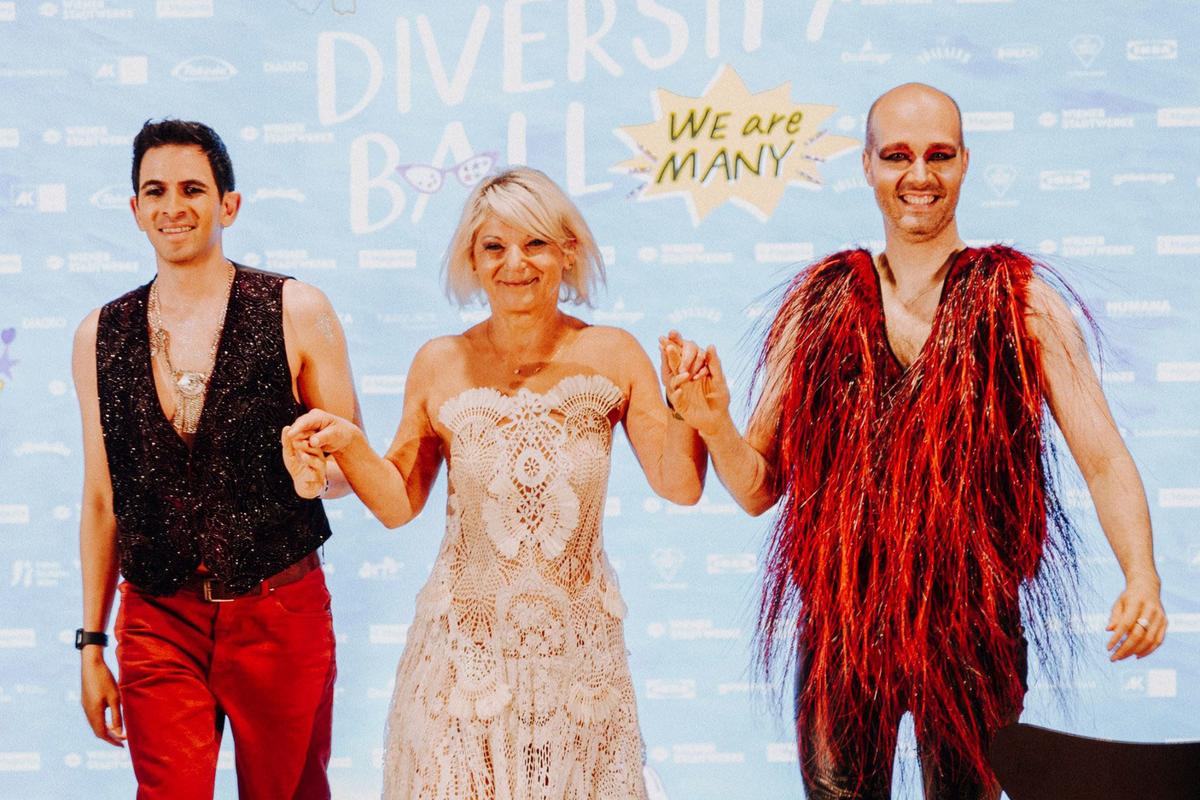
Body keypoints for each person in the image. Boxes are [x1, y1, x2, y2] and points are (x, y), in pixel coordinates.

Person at [661, 83, 1168, 799]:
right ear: (865, 165)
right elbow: (757, 490)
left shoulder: (1022, 300)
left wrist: (1141, 575)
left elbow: (1105, 458)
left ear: (965, 163)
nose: (920, 176)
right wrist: (712, 421)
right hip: (840, 628)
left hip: (973, 626)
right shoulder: (819, 302)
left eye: (939, 155)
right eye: (898, 156)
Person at [282, 166, 708, 800]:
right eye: (495, 247)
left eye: (535, 243)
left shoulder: (614, 354)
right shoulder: (439, 361)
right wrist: (345, 444)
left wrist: (693, 414)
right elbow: (399, 503)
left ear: (567, 251)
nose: (516, 263)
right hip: (461, 665)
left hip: (578, 670)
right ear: (472, 261)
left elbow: (680, 485)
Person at [72, 119, 360, 800]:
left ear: (228, 204)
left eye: (193, 189)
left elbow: (353, 466)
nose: (174, 206)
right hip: (156, 617)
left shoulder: (297, 308)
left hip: (278, 608)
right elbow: (101, 501)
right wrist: (91, 643)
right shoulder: (97, 335)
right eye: (156, 190)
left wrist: (316, 472)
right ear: (135, 209)